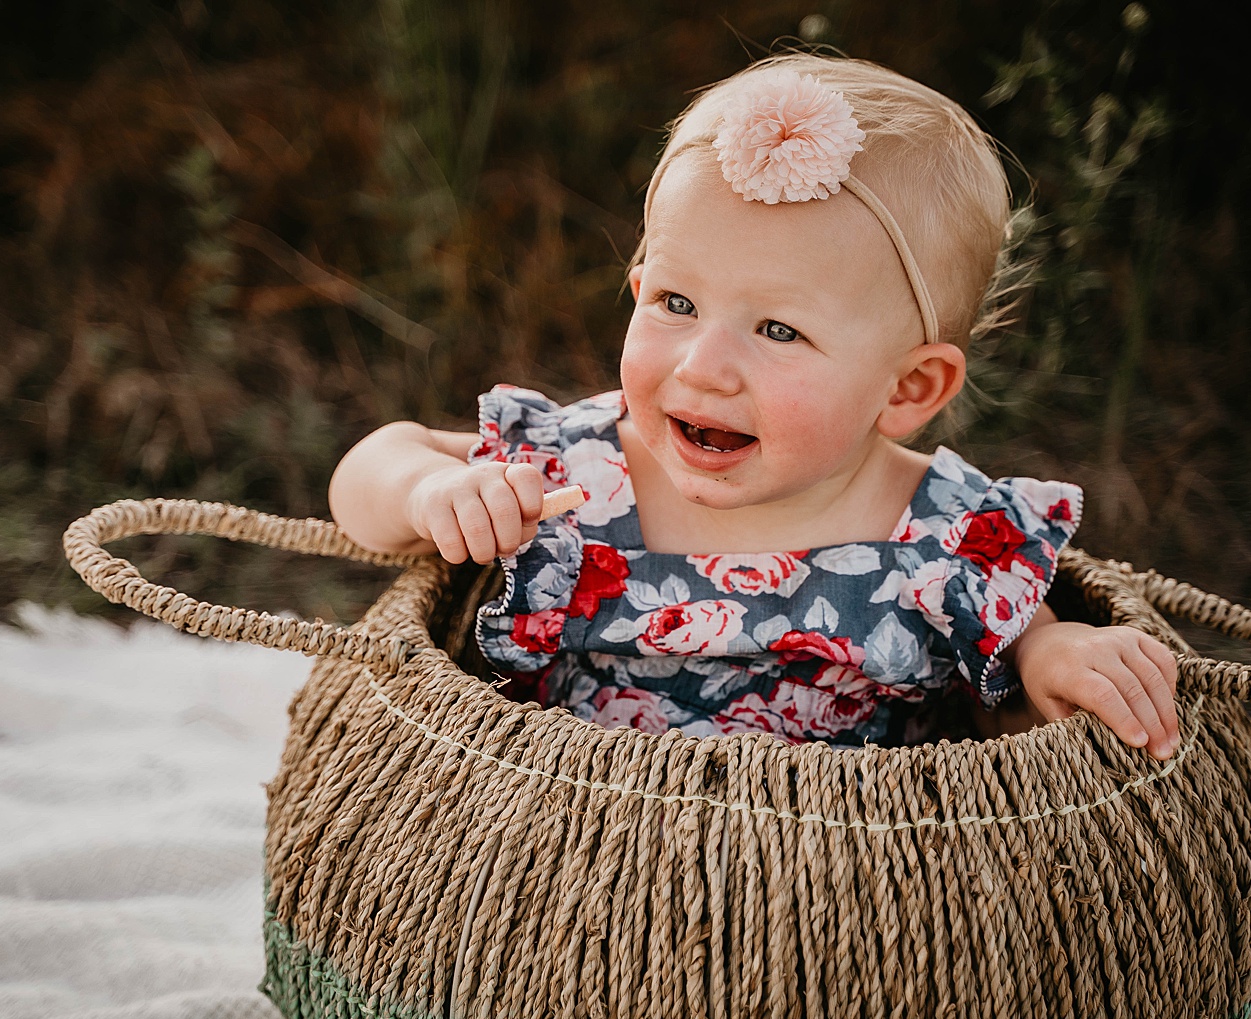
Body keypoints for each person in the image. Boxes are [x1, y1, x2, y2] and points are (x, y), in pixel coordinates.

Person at [328, 53, 1180, 757]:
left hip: (836, 888)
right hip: (577, 853)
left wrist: (1055, 650)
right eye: (675, 303)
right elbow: (368, 478)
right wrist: (424, 493)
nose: (704, 367)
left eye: (778, 328)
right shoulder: (575, 467)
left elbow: (1020, 654)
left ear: (908, 387)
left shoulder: (948, 533)